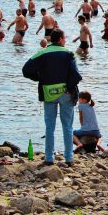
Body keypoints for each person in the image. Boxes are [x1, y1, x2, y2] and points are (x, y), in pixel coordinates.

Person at [22, 29, 82, 166]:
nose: (65, 40)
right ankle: (69, 158)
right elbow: (75, 75)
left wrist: (40, 78)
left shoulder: (42, 52)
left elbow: (26, 70)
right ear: (60, 39)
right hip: (66, 94)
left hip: (48, 92)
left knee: (49, 127)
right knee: (67, 126)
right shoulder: (69, 53)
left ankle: (49, 158)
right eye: (65, 38)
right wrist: (69, 88)